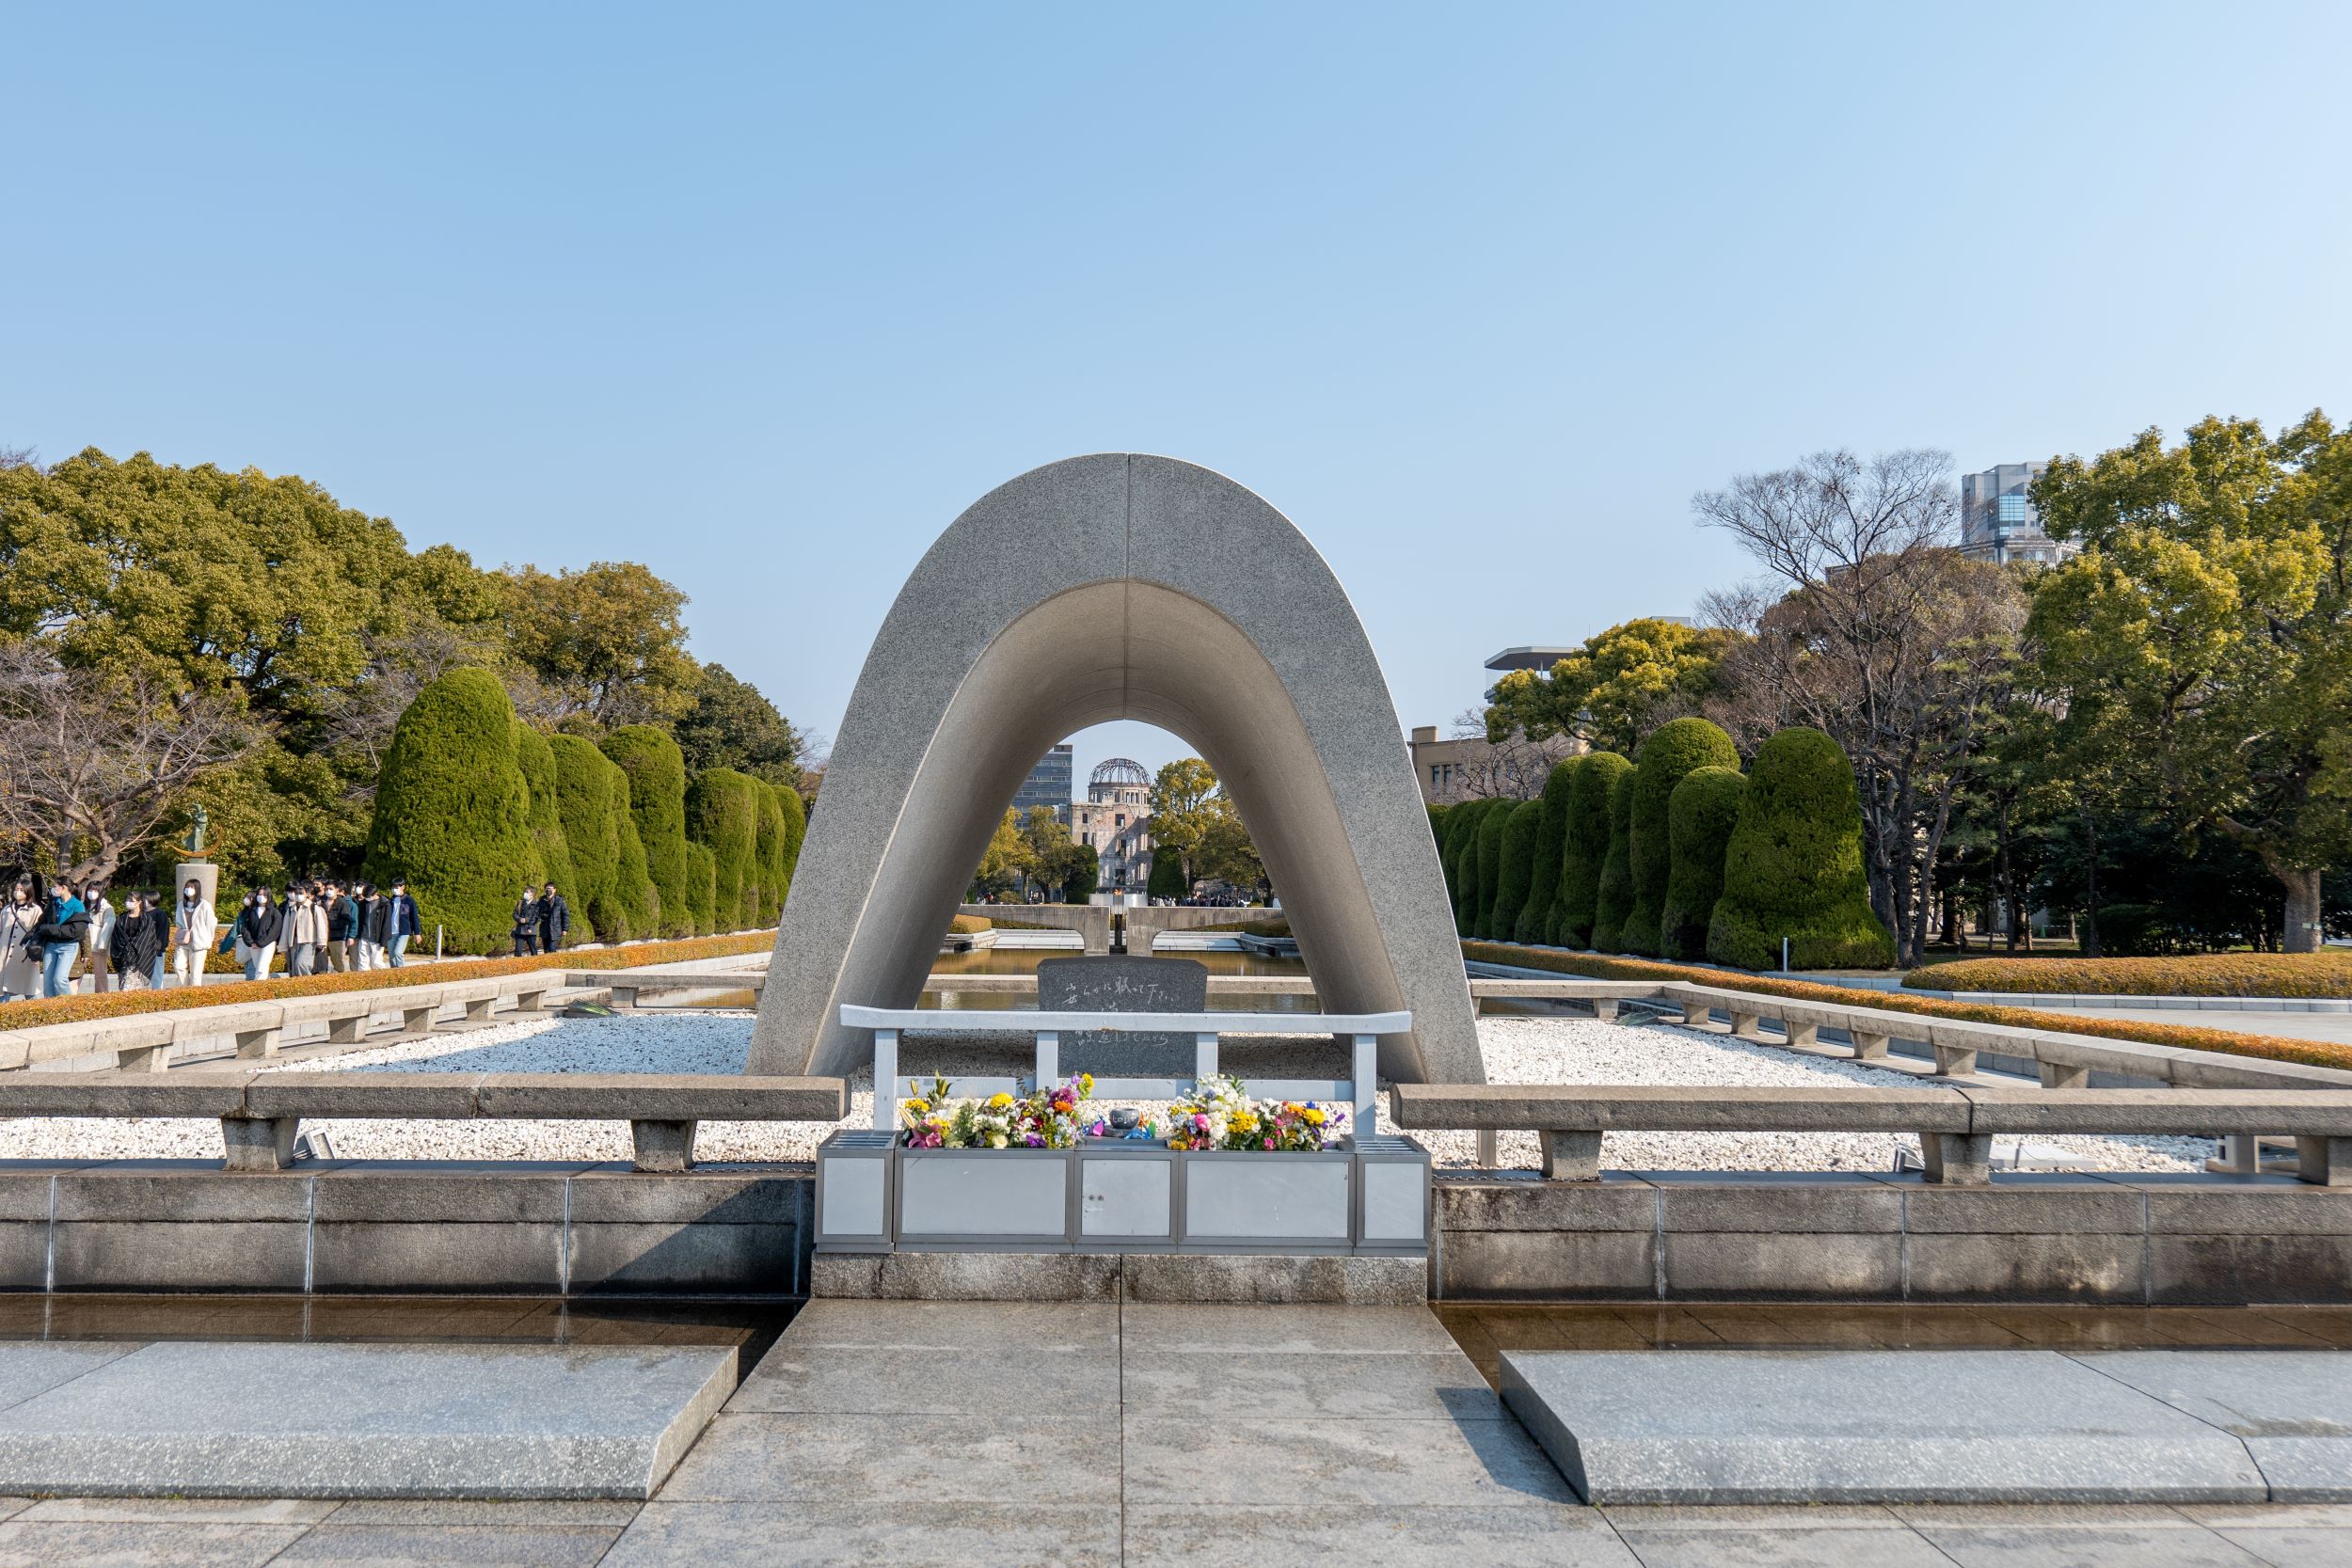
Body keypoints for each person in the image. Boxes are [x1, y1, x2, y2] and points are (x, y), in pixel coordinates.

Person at [32, 879, 89, 999]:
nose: (53, 889)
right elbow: (42, 922)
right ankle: (51, 1010)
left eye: (55, 886)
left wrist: (50, 929)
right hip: (51, 945)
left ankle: (68, 1007)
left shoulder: (78, 905)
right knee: (48, 984)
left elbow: (75, 930)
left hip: (68, 946)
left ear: (64, 888)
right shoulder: (53, 903)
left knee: (60, 979)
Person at [109, 891, 169, 990]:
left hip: (139, 961)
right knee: (125, 986)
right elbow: (116, 938)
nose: (128, 902)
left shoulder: (146, 919)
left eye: (131, 900)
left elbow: (146, 939)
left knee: (130, 988)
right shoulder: (121, 918)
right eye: (127, 900)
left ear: (139, 902)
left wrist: (132, 948)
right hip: (123, 959)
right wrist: (123, 951)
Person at [170, 879, 217, 989]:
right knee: (178, 966)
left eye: (191, 887)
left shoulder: (205, 905)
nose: (188, 889)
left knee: (196, 975)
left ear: (197, 889)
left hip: (199, 943)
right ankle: (186, 989)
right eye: (187, 887)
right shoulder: (181, 904)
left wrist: (207, 939)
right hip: (184, 941)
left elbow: (211, 923)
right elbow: (178, 921)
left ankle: (194, 995)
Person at [0, 876, 40, 1002]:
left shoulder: (35, 910)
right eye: (16, 889)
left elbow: (38, 932)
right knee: (4, 985)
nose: (18, 892)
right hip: (4, 953)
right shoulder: (6, 909)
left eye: (22, 890)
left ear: (28, 892)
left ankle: (37, 1013)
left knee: (29, 987)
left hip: (24, 954)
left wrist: (36, 954)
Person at [233, 886, 280, 983]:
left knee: (261, 968)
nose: (261, 897)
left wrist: (260, 942)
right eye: (259, 894)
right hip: (253, 945)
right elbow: (245, 928)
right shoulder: (251, 911)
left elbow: (274, 930)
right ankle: (266, 988)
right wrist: (250, 942)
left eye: (264, 895)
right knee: (258, 967)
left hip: (268, 944)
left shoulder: (274, 912)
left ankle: (258, 990)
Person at [284, 884, 326, 976]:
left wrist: (321, 942)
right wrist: (284, 945)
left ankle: (307, 984)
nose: (298, 895)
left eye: (301, 893)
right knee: (294, 968)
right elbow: (285, 928)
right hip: (294, 942)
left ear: (307, 894)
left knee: (301, 964)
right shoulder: (291, 909)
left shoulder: (313, 907)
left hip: (309, 942)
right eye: (296, 893)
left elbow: (321, 925)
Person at [83, 883, 116, 992]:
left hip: (98, 944)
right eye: (90, 890)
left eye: (95, 890)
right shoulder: (82, 906)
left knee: (100, 973)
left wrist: (103, 945)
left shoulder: (107, 907)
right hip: (83, 943)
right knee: (78, 971)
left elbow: (108, 926)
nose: (92, 893)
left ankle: (101, 995)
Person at [323, 880, 358, 973]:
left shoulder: (342, 903)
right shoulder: (322, 903)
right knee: (322, 962)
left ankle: (341, 981)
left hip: (338, 938)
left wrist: (328, 924)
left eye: (331, 889)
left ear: (337, 890)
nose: (328, 891)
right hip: (323, 938)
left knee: (337, 962)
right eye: (326, 889)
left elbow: (345, 921)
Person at [386, 879, 421, 967]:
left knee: (398, 952)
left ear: (403, 887)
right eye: (393, 887)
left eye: (396, 887)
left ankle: (402, 972)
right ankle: (394, 974)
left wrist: (417, 933)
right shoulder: (391, 901)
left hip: (404, 932)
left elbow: (414, 917)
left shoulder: (409, 900)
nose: (394, 889)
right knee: (391, 956)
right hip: (392, 932)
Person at [355, 883, 389, 971]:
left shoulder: (385, 904)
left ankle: (385, 978)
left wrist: (384, 940)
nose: (366, 899)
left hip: (376, 938)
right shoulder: (363, 904)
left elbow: (387, 923)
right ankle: (364, 981)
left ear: (375, 894)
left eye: (368, 897)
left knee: (376, 962)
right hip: (364, 936)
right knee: (363, 962)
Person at [537, 882, 570, 955]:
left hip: (555, 929)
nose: (548, 890)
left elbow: (565, 915)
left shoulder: (560, 901)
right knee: (546, 951)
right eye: (547, 888)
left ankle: (553, 965)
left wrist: (565, 929)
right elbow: (536, 913)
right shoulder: (541, 900)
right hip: (544, 929)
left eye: (550, 888)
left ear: (555, 890)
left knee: (552, 949)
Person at [511, 884, 541, 958]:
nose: (525, 893)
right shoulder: (520, 903)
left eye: (527, 892)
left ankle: (536, 963)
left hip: (530, 930)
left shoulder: (537, 904)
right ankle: (517, 965)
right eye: (525, 891)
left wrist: (526, 920)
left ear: (532, 894)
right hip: (520, 930)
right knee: (518, 950)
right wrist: (519, 919)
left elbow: (538, 917)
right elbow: (514, 914)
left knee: (533, 949)